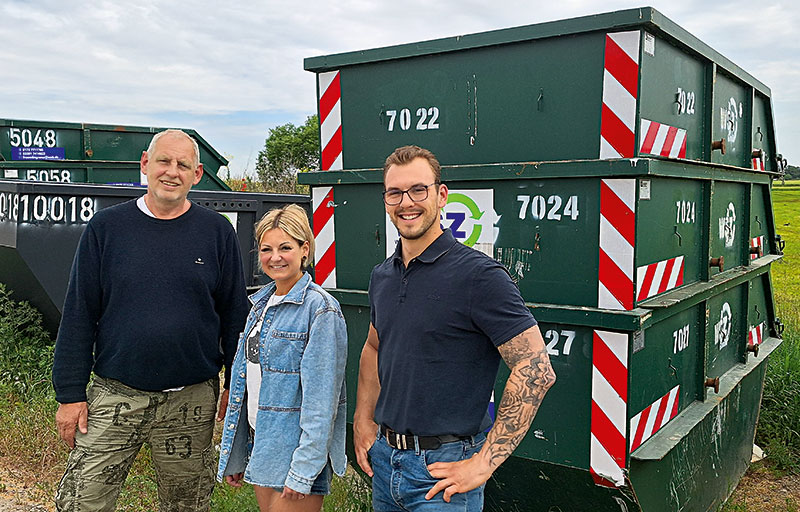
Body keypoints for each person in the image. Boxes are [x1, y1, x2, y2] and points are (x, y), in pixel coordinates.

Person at [52, 129, 249, 511]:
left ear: (197, 174)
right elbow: (79, 312)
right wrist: (70, 394)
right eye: (164, 161)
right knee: (83, 502)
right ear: (145, 164)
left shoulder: (216, 232)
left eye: (183, 165)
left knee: (187, 505)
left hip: (191, 401)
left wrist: (234, 387)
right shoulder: (107, 229)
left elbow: (234, 317)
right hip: (115, 395)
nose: (171, 172)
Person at [353, 145, 557, 511]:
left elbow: (536, 369)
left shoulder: (479, 276)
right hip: (385, 464)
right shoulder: (382, 276)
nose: (406, 203)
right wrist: (362, 419)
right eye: (395, 193)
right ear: (385, 200)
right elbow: (373, 346)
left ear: (441, 194)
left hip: (443, 475)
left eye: (419, 190)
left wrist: (484, 462)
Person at [217, 204, 348, 512]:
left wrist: (303, 470)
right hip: (263, 444)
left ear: (305, 249)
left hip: (295, 453)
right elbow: (245, 384)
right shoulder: (260, 305)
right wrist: (238, 453)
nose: (275, 257)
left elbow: (321, 402)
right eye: (266, 249)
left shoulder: (320, 310)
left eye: (285, 247)